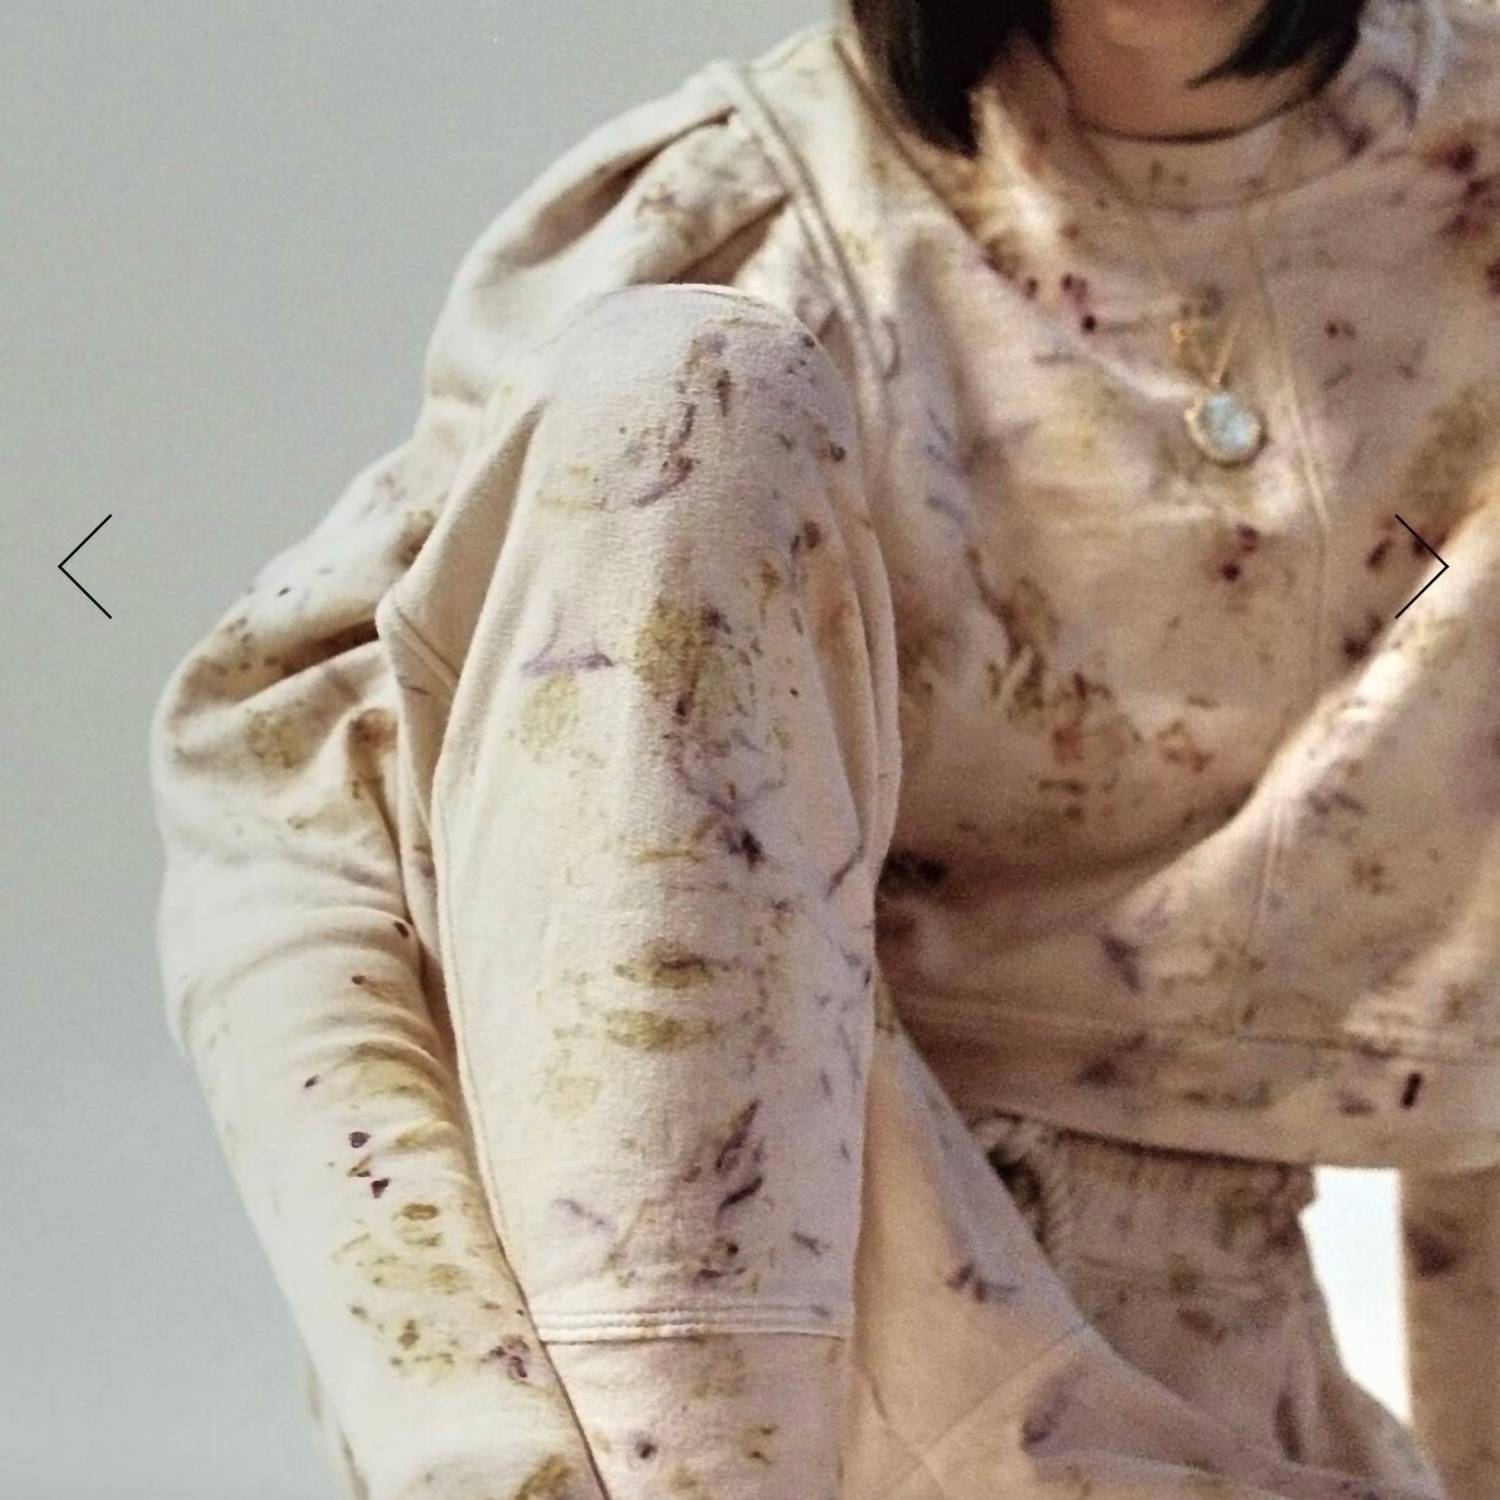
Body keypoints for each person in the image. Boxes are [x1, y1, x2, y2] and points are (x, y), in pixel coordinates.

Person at [146, 0, 1500, 1496]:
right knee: (676, 396)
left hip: (1195, 1407)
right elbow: (304, 834)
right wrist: (475, 1435)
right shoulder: (751, 236)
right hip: (700, 1382)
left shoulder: (1474, 183)